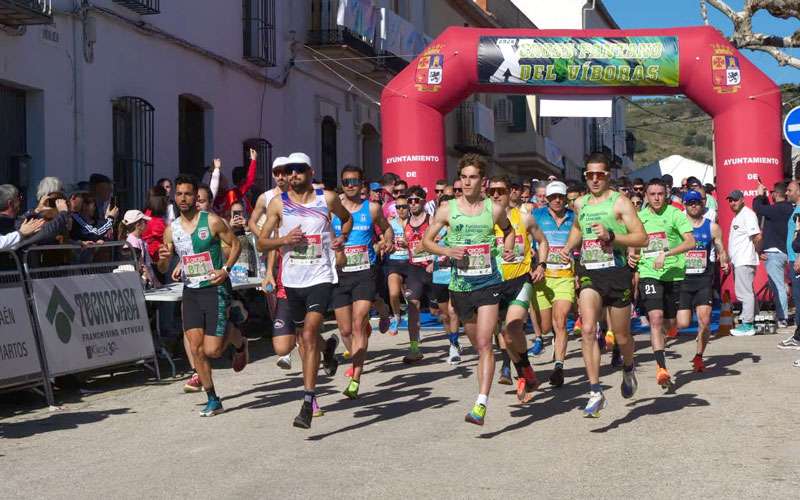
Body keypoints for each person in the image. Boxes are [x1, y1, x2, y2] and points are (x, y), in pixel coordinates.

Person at [258, 152, 352, 428]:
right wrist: (284, 239)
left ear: (311, 172)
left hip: (321, 277)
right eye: (289, 171)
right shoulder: (278, 204)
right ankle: (328, 350)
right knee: (303, 337)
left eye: (299, 170)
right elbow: (262, 243)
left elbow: (346, 219)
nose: (293, 175)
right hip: (292, 280)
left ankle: (308, 400)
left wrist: (341, 238)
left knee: (308, 334)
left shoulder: (328, 199)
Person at [422, 153, 516, 426]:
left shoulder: (494, 209)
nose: (466, 182)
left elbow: (508, 231)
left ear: (482, 181)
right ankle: (507, 356)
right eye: (463, 177)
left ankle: (480, 404)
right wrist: (446, 249)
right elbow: (427, 242)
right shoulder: (447, 209)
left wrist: (507, 249)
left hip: (488, 282)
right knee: (478, 344)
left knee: (485, 343)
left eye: (472, 177)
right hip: (460, 286)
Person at [561, 152, 648, 417]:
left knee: (621, 336)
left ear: (608, 175)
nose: (595, 179)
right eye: (590, 175)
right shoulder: (582, 203)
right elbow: (577, 227)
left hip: (617, 272)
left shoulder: (620, 203)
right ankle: (595, 390)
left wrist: (612, 236)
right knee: (588, 329)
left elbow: (641, 238)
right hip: (590, 272)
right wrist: (568, 246)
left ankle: (629, 367)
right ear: (585, 177)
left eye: (600, 174)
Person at [157, 175, 242, 417]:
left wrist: (225, 270)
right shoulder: (170, 230)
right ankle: (213, 398)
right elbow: (163, 267)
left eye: (188, 194)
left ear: (196, 198)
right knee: (196, 349)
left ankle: (236, 335)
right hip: (191, 291)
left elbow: (235, 245)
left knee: (213, 350)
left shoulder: (212, 221)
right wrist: (163, 259)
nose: (183, 198)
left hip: (214, 288)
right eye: (179, 194)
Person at [331, 165, 392, 399]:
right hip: (340, 272)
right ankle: (381, 309)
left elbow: (387, 230)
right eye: (346, 181)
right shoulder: (333, 207)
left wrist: (385, 242)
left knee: (358, 323)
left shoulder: (373, 209)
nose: (350, 185)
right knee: (345, 329)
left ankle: (356, 376)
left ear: (362, 183)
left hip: (365, 271)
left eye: (355, 181)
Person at [628, 178, 695, 388]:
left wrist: (666, 253)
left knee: (676, 323)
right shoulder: (640, 217)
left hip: (674, 273)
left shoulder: (675, 214)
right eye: (652, 194)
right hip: (650, 272)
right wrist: (632, 255)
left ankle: (668, 332)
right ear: (646, 196)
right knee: (655, 319)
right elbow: (634, 242)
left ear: (665, 194)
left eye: (660, 194)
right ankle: (661, 368)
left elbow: (690, 242)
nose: (656, 198)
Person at [488, 176, 548, 403]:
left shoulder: (524, 218)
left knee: (512, 329)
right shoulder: (484, 221)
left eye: (500, 191)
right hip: (492, 283)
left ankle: (523, 374)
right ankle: (525, 369)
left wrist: (541, 265)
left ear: (510, 192)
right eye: (491, 191)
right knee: (503, 336)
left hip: (520, 280)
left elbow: (542, 241)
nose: (495, 195)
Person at [676, 190, 729, 372]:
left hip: (704, 278)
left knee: (705, 321)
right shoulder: (679, 226)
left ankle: (699, 356)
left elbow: (720, 247)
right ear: (685, 205)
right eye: (690, 203)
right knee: (683, 323)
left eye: (696, 202)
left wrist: (724, 261)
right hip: (683, 279)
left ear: (702, 205)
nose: (693, 205)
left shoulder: (712, 227)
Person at [531, 181, 575, 388]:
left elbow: (583, 245)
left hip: (565, 277)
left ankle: (559, 366)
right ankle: (550, 342)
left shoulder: (575, 218)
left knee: (561, 320)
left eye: (560, 196)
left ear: (565, 197)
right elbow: (526, 240)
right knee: (546, 327)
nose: (557, 200)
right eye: (553, 197)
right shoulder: (537, 216)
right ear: (546, 198)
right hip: (542, 278)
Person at [400, 186, 437, 364]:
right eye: (410, 201)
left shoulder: (432, 220)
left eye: (416, 200)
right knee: (412, 305)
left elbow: (444, 240)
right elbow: (407, 244)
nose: (413, 204)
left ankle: (453, 342)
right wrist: (402, 244)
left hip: (432, 268)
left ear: (423, 201)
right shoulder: (404, 222)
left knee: (440, 311)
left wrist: (435, 260)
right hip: (414, 269)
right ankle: (414, 348)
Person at [752, 180, 793, 329]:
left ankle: (782, 317)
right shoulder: (791, 209)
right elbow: (768, 209)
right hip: (788, 253)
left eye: (772, 193)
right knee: (786, 286)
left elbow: (758, 208)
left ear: (776, 194)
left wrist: (759, 195)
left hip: (774, 254)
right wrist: (765, 197)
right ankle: (784, 314)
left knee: (778, 287)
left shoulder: (775, 210)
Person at [726, 190, 762, 336]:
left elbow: (757, 236)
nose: (732, 203)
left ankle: (748, 325)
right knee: (748, 291)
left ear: (742, 200)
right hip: (740, 260)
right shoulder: (739, 216)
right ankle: (756, 319)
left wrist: (758, 252)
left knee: (744, 293)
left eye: (735, 200)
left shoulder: (747, 214)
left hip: (744, 259)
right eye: (730, 200)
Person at [385, 193, 410, 336]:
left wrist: (409, 244)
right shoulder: (391, 223)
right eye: (398, 207)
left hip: (410, 262)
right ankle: (396, 316)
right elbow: (386, 239)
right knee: (393, 293)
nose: (401, 210)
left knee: (410, 297)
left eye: (404, 206)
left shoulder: (414, 222)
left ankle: (412, 319)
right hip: (394, 262)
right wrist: (387, 245)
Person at [779, 181, 800, 350]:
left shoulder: (799, 210)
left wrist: (798, 257)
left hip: (797, 260)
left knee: (799, 300)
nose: (787, 193)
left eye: (790, 190)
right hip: (793, 258)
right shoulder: (796, 209)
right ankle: (798, 336)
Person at [119, 209, 160, 288]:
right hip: (137, 284)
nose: (147, 224)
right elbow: (141, 266)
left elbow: (147, 264)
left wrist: (155, 281)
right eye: (145, 222)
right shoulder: (132, 242)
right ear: (138, 225)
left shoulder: (141, 241)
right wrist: (152, 281)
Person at [0, 184, 44, 249]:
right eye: (19, 198)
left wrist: (37, 210)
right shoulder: (4, 223)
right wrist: (21, 233)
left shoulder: (11, 220)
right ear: (10, 203)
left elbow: (19, 220)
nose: (21, 201)